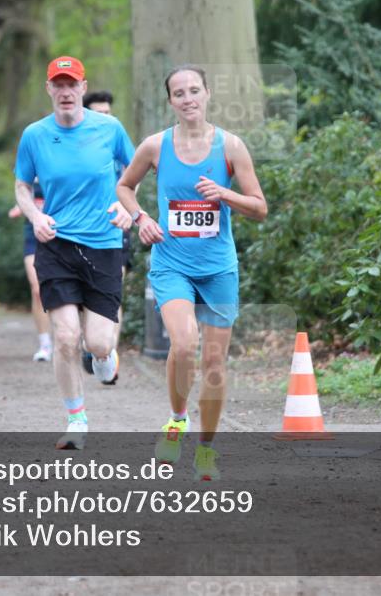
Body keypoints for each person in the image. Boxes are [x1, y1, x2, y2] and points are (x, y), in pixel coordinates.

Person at [116, 65, 268, 481]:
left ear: (207, 93)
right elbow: (124, 187)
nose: (188, 99)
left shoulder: (231, 146)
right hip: (172, 264)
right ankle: (177, 419)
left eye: (194, 90)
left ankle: (206, 450)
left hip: (218, 269)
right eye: (179, 93)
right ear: (170, 101)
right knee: (184, 345)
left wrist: (225, 193)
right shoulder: (155, 146)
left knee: (214, 363)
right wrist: (141, 218)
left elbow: (259, 208)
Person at [14, 56, 135, 449]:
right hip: (56, 244)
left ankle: (104, 358)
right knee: (66, 337)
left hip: (103, 244)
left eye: (72, 84)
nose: (66, 92)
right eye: (59, 84)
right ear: (49, 89)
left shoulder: (110, 128)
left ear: (83, 88)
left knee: (98, 343)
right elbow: (22, 185)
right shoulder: (34, 135)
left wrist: (127, 207)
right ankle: (76, 420)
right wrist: (35, 215)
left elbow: (134, 172)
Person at [81, 90, 131, 378]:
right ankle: (91, 343)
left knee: (114, 291)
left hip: (115, 225)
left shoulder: (116, 138)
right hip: (80, 231)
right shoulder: (75, 142)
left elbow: (134, 174)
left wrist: (127, 205)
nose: (104, 117)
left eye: (107, 112)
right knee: (83, 296)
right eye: (98, 113)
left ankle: (110, 353)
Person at [7, 179, 53, 361]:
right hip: (34, 235)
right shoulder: (27, 171)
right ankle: (45, 344)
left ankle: (75, 338)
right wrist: (21, 207)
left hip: (61, 232)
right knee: (37, 289)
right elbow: (22, 194)